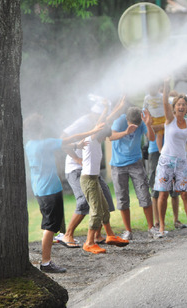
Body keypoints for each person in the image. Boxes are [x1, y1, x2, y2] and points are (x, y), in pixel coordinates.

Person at [24, 114, 104, 273]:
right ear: (40, 129)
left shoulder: (30, 145)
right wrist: (92, 130)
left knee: (50, 225)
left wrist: (76, 146)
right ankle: (46, 262)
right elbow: (69, 138)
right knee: (50, 226)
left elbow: (61, 144)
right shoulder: (43, 144)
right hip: (49, 190)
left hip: (40, 189)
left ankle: (47, 259)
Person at [60, 96, 119, 248]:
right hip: (76, 169)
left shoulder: (96, 128)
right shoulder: (83, 125)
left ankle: (102, 235)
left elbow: (105, 121)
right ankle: (69, 235)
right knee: (85, 202)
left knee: (105, 198)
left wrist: (112, 107)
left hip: (90, 172)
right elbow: (63, 140)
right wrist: (76, 157)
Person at [154, 79, 187, 235]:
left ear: (186, 107)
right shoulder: (170, 120)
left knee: (185, 194)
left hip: (181, 162)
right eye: (178, 105)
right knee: (163, 194)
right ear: (174, 108)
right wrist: (166, 87)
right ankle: (162, 227)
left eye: (183, 104)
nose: (181, 106)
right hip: (166, 161)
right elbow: (164, 103)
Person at [80, 102, 130, 253]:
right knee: (96, 211)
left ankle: (110, 236)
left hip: (94, 178)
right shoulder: (90, 139)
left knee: (104, 208)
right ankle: (89, 243)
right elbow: (101, 123)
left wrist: (116, 107)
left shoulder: (97, 141)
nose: (105, 139)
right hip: (88, 179)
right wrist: (106, 109)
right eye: (104, 136)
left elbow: (104, 123)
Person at [109, 106, 158, 240]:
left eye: (137, 124)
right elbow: (111, 137)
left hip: (136, 163)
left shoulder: (141, 122)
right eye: (133, 123)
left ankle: (151, 228)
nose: (135, 126)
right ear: (127, 119)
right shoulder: (119, 122)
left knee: (144, 195)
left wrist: (148, 124)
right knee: (122, 199)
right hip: (118, 165)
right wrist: (126, 132)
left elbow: (152, 138)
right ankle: (128, 231)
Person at [143, 83, 166, 152]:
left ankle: (163, 149)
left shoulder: (161, 96)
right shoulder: (147, 98)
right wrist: (149, 116)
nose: (152, 90)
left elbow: (167, 105)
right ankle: (160, 150)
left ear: (158, 88)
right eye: (150, 88)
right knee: (159, 135)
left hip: (163, 117)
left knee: (166, 133)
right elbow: (145, 108)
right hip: (154, 118)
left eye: (154, 88)